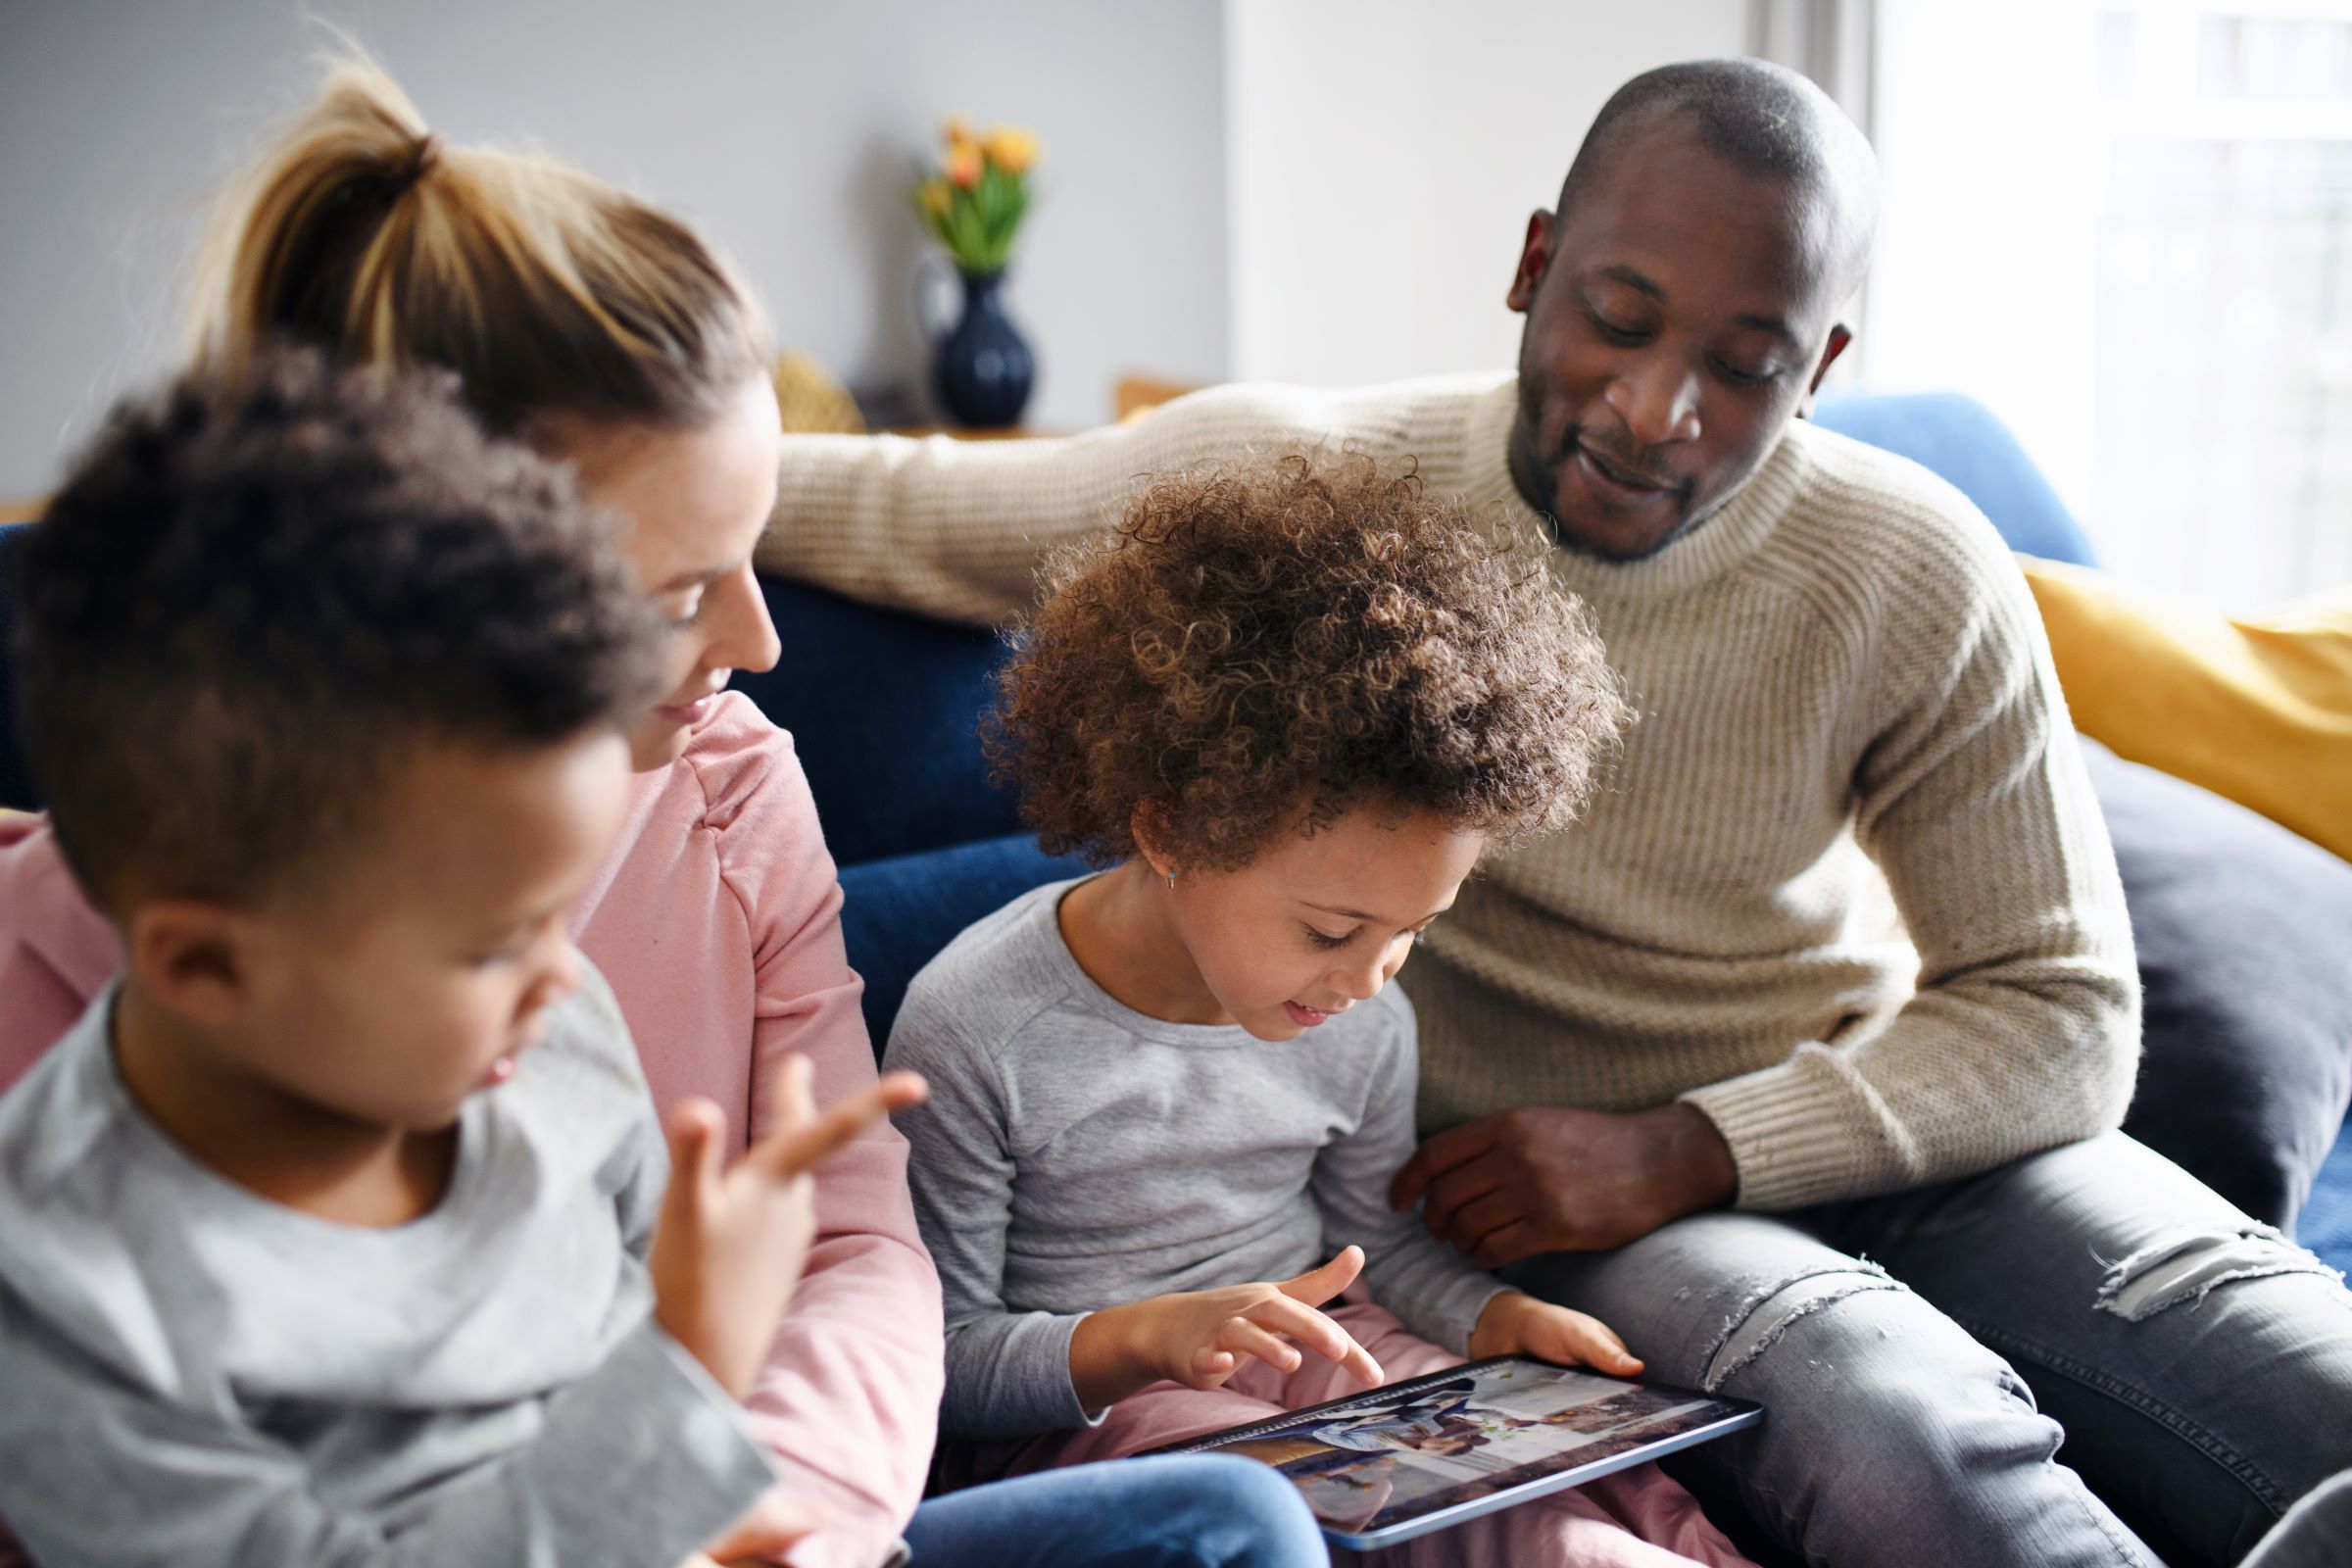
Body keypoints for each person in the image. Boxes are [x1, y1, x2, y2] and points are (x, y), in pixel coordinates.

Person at [756, 57, 2352, 1568]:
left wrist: (1695, 1145)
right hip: (1544, 1186)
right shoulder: (1306, 494)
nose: (1662, 409)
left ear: (1825, 367)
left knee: (2302, 1370)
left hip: (1891, 1126)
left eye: (1747, 366)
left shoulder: (1914, 566)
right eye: (1617, 318)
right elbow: (876, 502)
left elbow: (2065, 1013)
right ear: (1535, 266)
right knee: (1898, 1422)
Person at [0, 59, 1325, 1568]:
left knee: (1229, 1522)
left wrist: (777, 1513)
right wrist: (678, 1410)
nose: (762, 643)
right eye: (685, 588)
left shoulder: (673, 856)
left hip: (753, 1514)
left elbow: (843, 1246)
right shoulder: (80, 1205)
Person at [0, 349, 923, 1564]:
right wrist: (685, 1372)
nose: (566, 974)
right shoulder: (71, 1299)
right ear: (206, 968)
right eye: (497, 943)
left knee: (1209, 1519)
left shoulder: (549, 1036)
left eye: (561, 906)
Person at [887, 455, 1751, 1568]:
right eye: (1333, 930)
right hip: (1109, 1412)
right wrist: (1149, 1336)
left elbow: (1375, 1244)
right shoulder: (973, 1028)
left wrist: (1490, 1319)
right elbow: (939, 1367)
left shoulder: (1362, 1017)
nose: (1369, 978)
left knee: (1604, 1515)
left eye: (1414, 931)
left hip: (1341, 1360)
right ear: (1173, 829)